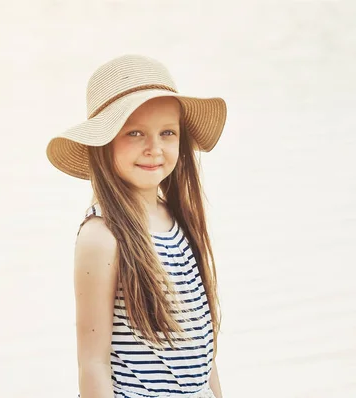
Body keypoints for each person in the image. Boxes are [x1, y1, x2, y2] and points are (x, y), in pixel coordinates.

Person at [46, 54, 228, 398]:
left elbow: (204, 352)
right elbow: (93, 363)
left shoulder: (179, 220)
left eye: (167, 132)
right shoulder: (102, 236)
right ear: (104, 143)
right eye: (134, 133)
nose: (154, 148)